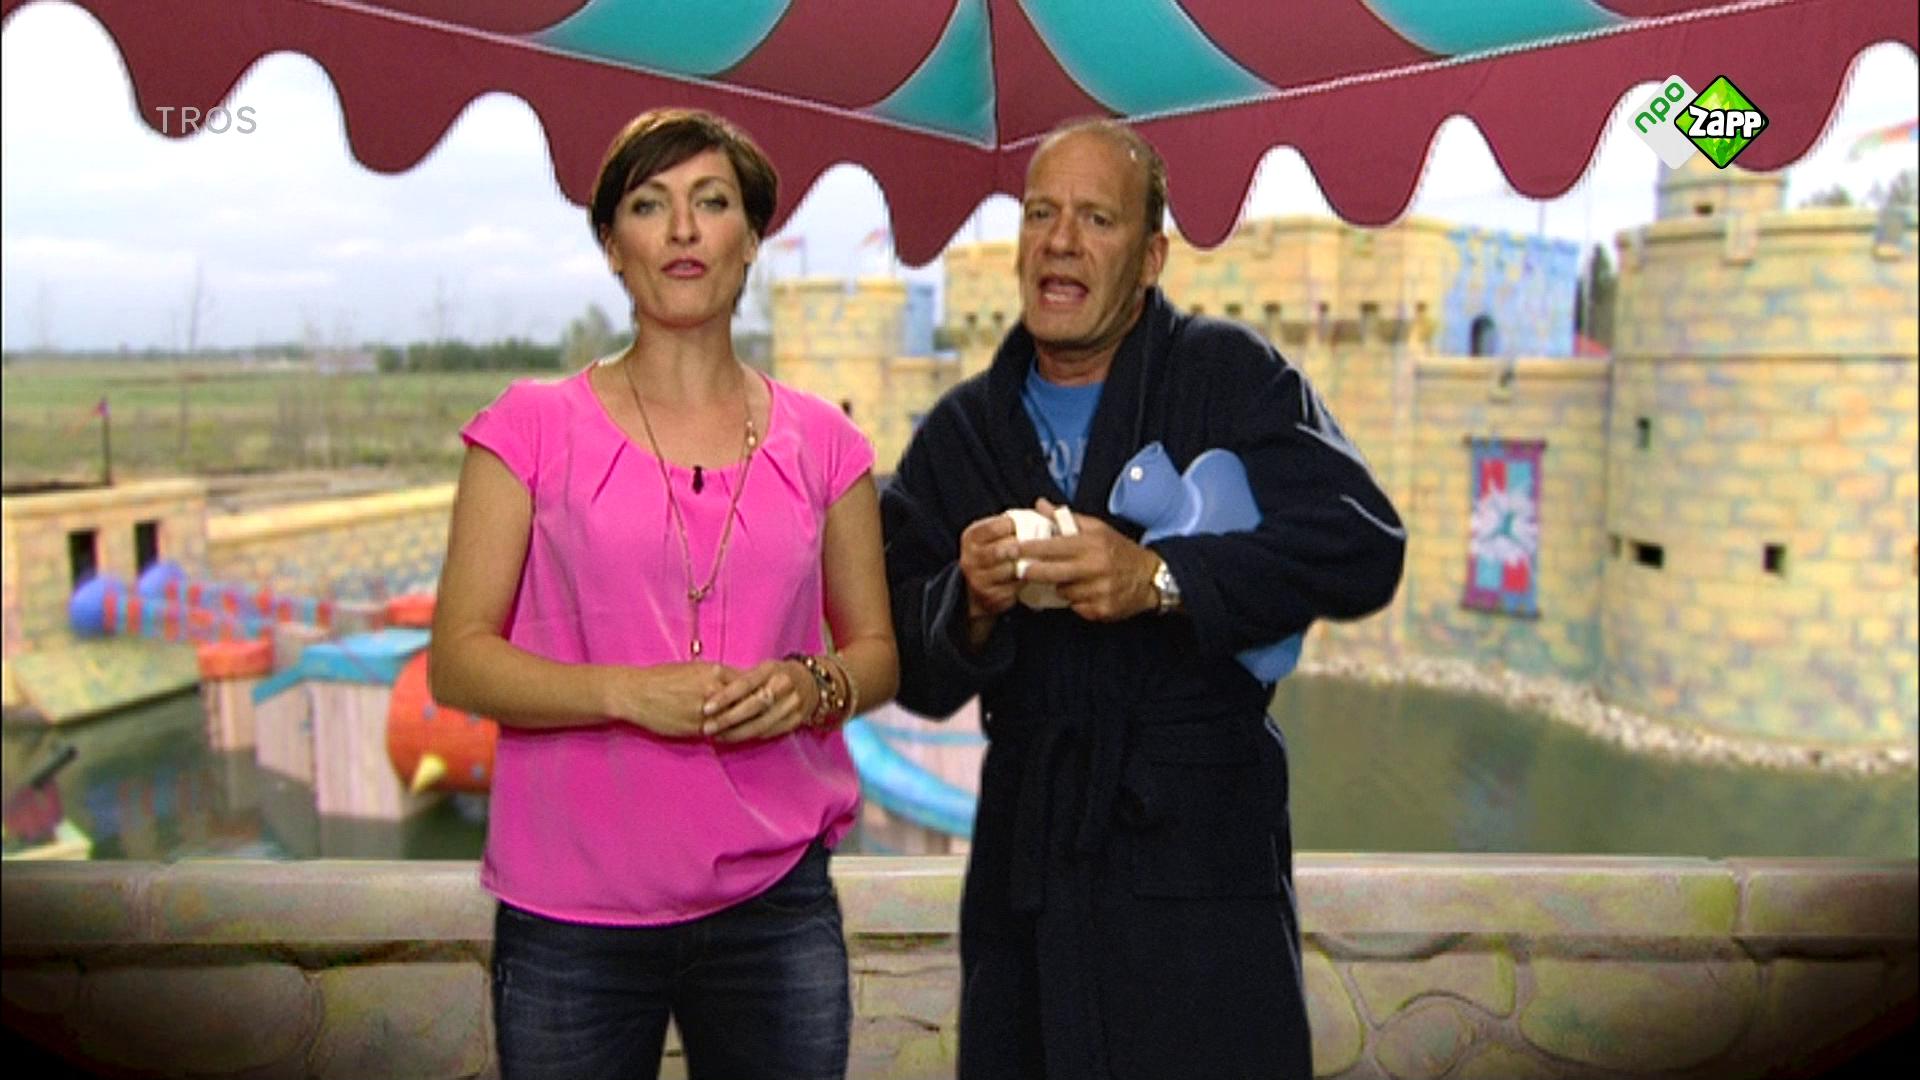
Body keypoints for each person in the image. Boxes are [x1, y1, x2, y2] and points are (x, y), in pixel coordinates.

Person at [881, 119, 1406, 1078]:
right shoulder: (963, 432)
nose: (1060, 241)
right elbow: (902, 657)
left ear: (1151, 258)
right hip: (1031, 863)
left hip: (1199, 855)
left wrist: (1163, 581)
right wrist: (971, 602)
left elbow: (1362, 544)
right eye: (1041, 214)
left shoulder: (1228, 376)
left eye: (1096, 218)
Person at [430, 108, 897, 1080]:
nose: (683, 230)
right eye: (650, 205)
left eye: (711, 202)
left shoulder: (829, 444)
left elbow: (877, 653)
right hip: (570, 921)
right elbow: (458, 661)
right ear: (612, 245)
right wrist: (626, 693)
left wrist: (811, 686)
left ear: (752, 238)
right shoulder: (527, 430)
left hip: (776, 905)